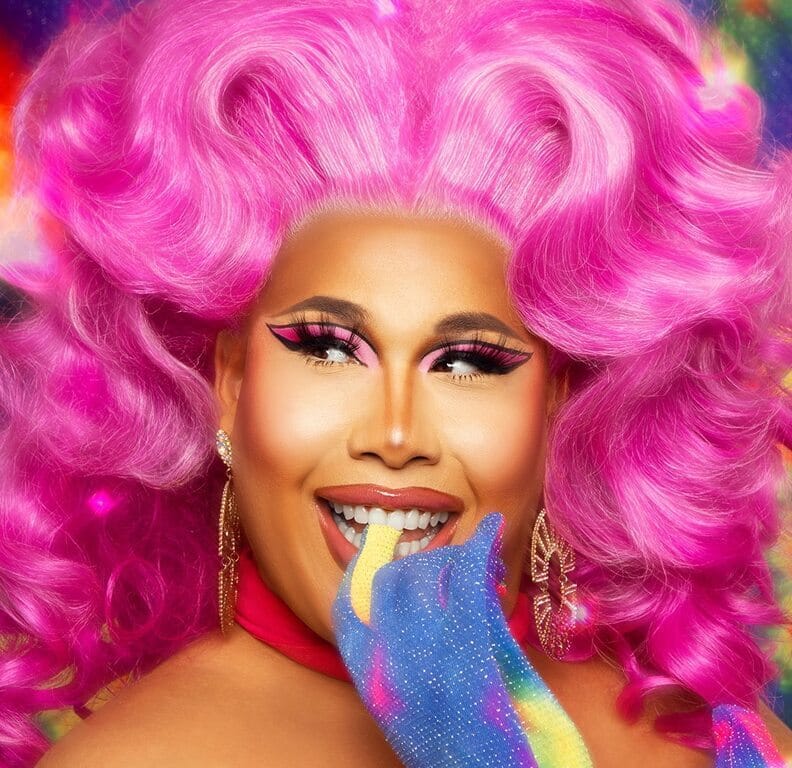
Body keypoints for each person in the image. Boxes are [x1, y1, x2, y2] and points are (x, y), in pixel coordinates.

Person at [0, 0, 790, 765]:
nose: (396, 434)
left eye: (468, 362)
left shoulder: (694, 727)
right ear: (230, 383)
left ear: (556, 405)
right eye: (328, 348)